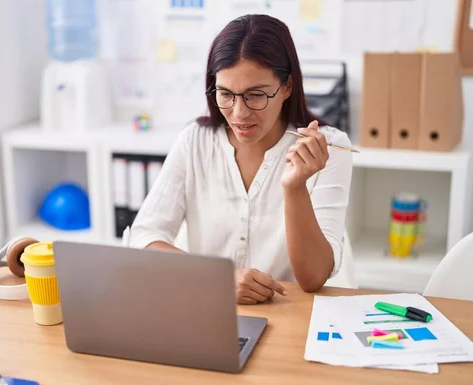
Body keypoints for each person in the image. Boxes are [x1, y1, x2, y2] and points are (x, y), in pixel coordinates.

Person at [128, 14, 353, 303]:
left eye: (255, 95)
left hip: (291, 319)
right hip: (209, 310)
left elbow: (312, 278)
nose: (239, 113)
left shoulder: (330, 147)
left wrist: (295, 187)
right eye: (225, 94)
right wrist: (216, 279)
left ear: (287, 87)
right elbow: (144, 236)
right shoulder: (195, 140)